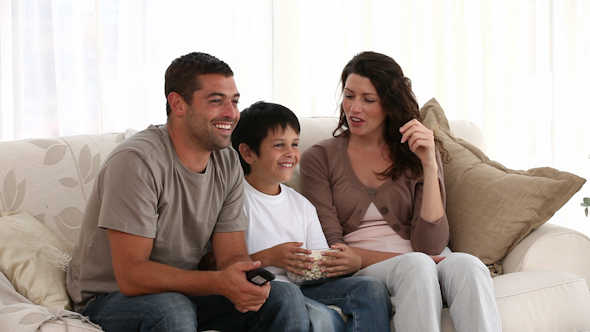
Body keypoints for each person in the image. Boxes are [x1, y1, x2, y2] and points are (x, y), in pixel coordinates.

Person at [66, 52, 310, 332]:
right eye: (216, 101)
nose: (231, 113)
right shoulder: (137, 161)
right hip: (111, 299)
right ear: (178, 104)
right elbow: (131, 275)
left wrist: (244, 280)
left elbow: (231, 255)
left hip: (184, 291)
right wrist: (218, 282)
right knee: (171, 306)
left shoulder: (228, 161)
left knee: (284, 295)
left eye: (234, 101)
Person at [299, 51, 501, 332]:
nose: (354, 108)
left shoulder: (416, 153)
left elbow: (430, 246)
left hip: (427, 256)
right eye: (349, 95)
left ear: (389, 105)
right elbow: (334, 248)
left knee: (469, 265)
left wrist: (429, 165)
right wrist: (398, 259)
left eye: (368, 100)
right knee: (416, 266)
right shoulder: (319, 157)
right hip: (368, 264)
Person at [230, 101, 392, 332]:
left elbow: (319, 261)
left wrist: (330, 263)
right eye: (279, 145)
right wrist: (270, 257)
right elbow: (214, 262)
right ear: (247, 152)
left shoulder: (301, 204)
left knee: (370, 288)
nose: (291, 153)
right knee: (324, 318)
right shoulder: (234, 201)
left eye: (295, 144)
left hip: (304, 287)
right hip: (268, 290)